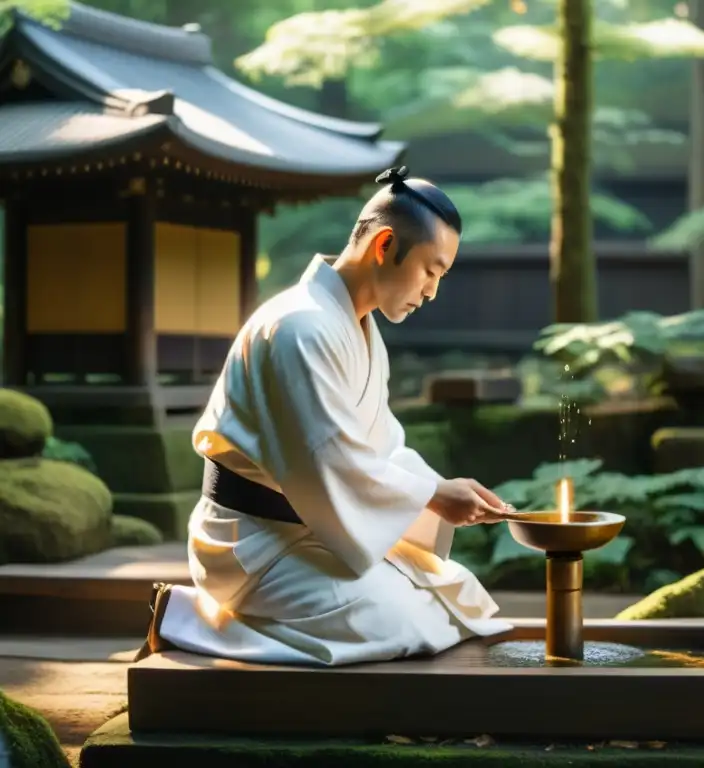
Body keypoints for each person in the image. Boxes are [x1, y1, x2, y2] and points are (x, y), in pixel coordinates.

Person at [137, 166, 515, 666]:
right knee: (396, 620)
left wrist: (442, 488)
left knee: (453, 596)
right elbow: (328, 461)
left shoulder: (354, 327)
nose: (431, 292)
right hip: (252, 541)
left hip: (312, 526)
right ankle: (190, 619)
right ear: (384, 246)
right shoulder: (299, 327)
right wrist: (434, 496)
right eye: (431, 271)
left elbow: (379, 447)